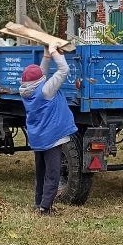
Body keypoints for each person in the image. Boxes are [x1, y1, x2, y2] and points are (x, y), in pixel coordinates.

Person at [19, 45, 78, 214]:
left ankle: (39, 203)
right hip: (52, 138)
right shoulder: (46, 91)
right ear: (40, 81)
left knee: (41, 172)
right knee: (53, 174)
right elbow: (64, 70)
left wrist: (46, 56)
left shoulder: (26, 91)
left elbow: (41, 75)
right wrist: (54, 52)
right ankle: (45, 208)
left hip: (38, 138)